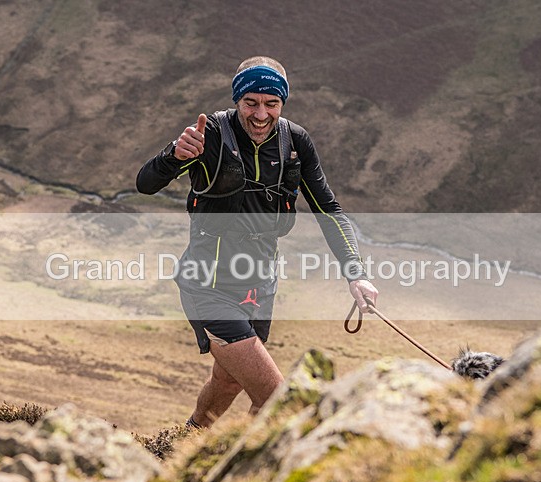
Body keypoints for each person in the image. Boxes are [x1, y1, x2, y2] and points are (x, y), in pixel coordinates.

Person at [137, 56, 378, 428]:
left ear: (282, 103)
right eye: (251, 102)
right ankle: (249, 476)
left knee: (229, 379)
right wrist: (172, 156)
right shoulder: (210, 135)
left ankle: (188, 442)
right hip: (209, 284)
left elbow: (327, 208)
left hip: (260, 285)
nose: (261, 114)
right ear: (237, 100)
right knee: (275, 400)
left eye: (272, 104)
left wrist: (356, 273)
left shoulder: (295, 141)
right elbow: (146, 183)